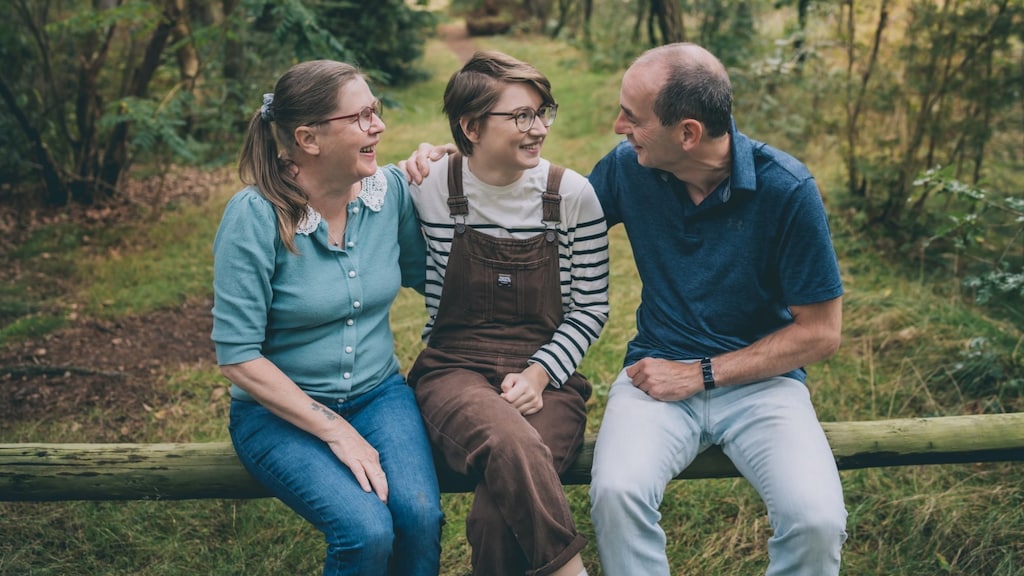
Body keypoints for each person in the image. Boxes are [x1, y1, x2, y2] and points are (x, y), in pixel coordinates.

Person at [585, 43, 847, 575]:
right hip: (654, 374)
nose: (618, 126)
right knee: (616, 493)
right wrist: (459, 163)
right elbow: (544, 219)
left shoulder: (786, 189)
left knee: (816, 520)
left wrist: (702, 374)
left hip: (762, 384)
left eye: (632, 117)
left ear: (688, 133)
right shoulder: (627, 169)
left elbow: (821, 333)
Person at [210, 59, 443, 576]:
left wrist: (453, 176)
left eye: (375, 112)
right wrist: (335, 429)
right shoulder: (254, 217)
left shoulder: (389, 194)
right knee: (365, 531)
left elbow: (431, 278)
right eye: (361, 117)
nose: (378, 126)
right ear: (308, 139)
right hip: (277, 416)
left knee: (420, 517)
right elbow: (237, 356)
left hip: (380, 395)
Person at [405, 51, 609, 576]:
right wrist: (419, 157)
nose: (538, 128)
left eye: (543, 112)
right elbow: (345, 186)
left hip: (551, 377)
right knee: (509, 436)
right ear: (471, 126)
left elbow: (590, 307)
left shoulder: (571, 195)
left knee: (499, 517)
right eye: (521, 116)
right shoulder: (426, 187)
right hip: (453, 372)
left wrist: (540, 375)